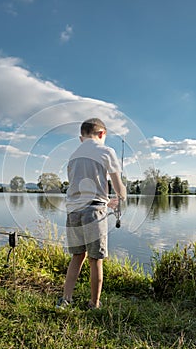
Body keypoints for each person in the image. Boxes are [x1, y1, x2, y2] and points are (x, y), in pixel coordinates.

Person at [56, 118, 126, 309]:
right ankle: (94, 304)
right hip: (93, 212)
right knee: (96, 259)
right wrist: (122, 196)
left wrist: (106, 201)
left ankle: (66, 299)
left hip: (73, 212)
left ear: (81, 137)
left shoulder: (73, 156)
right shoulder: (106, 151)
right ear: (102, 134)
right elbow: (119, 187)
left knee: (77, 256)